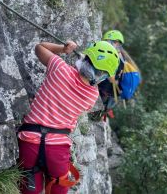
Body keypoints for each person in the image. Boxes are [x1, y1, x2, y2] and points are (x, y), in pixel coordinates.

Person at [17, 40, 120, 194]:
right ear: (103, 76)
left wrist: (64, 49)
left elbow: (39, 48)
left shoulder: (59, 68)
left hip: (28, 140)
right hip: (57, 149)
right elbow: (89, 84)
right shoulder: (91, 95)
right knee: (60, 184)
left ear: (85, 59)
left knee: (31, 184)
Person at [92, 30, 141, 120]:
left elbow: (111, 78)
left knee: (94, 114)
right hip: (110, 93)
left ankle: (97, 116)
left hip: (105, 91)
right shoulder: (121, 57)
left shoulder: (116, 58)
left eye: (107, 41)